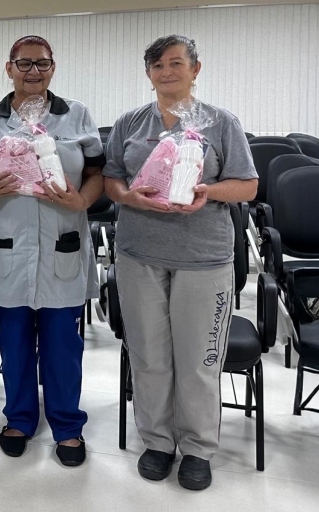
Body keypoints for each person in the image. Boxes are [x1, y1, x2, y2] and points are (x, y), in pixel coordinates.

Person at [103, 35, 257, 490]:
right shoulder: (130, 122)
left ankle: (197, 448)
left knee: (198, 362)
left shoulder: (221, 123)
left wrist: (209, 191)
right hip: (138, 255)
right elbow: (112, 179)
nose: (167, 72)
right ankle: (157, 441)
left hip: (203, 259)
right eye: (158, 65)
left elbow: (247, 185)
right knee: (148, 355)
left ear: (195, 69)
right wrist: (129, 196)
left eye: (176, 63)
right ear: (148, 73)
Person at [0, 35, 104, 466]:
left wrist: (82, 200)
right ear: (9, 68)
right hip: (5, 246)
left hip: (61, 243)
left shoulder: (75, 115)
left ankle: (67, 425)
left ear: (53, 68)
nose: (33, 71)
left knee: (63, 344)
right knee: (15, 341)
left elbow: (97, 172)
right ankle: (19, 418)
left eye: (42, 63)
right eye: (24, 63)